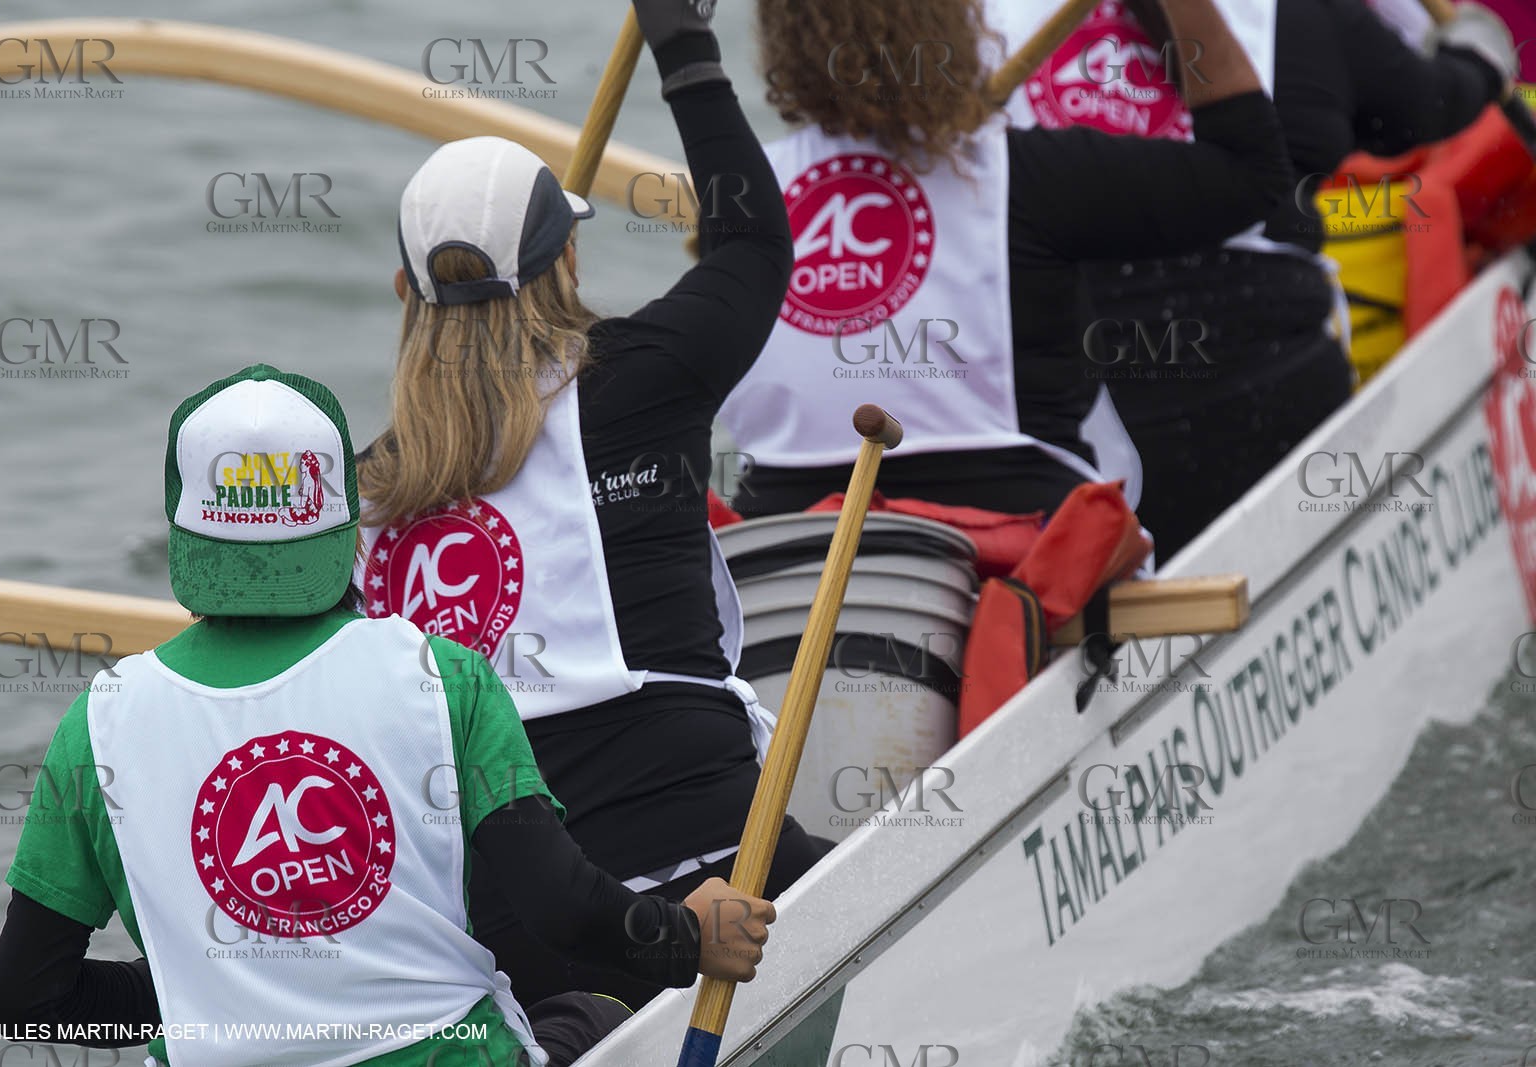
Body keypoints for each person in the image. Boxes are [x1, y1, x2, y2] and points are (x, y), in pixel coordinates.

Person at [0, 364, 777, 1067]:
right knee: (593, 1012)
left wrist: (218, 992)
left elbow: (27, 999)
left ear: (185, 523)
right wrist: (687, 938)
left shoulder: (98, 720)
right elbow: (563, 909)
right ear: (342, 519)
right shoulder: (443, 676)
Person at [355, 0, 824, 1010]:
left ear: (403, 289)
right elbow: (752, 242)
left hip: (519, 936)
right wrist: (684, 47)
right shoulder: (643, 379)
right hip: (727, 860)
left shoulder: (364, 498)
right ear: (568, 261)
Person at [716, 0, 1292, 521]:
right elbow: (1251, 175)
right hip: (1018, 542)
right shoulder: (1031, 177)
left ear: (781, 40)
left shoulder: (740, 196)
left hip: (783, 542)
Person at [1028, 0, 1517, 562]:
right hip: (1235, 402)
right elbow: (1428, 103)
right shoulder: (1301, 16)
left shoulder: (990, 38)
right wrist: (1480, 53)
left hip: (1080, 427)